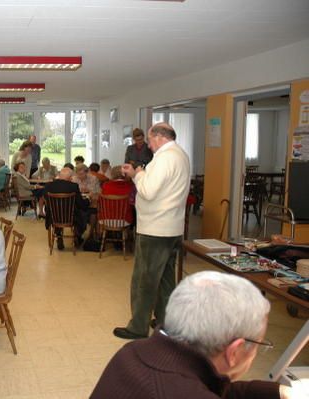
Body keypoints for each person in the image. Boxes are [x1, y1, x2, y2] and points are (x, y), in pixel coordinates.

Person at [91, 271, 300, 399]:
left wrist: (280, 393)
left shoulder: (135, 352)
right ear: (234, 351)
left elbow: (210, 386)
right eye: (258, 345)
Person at [114, 123, 190, 340]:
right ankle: (166, 320)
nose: (148, 143)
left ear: (159, 137)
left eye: (149, 138)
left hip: (155, 229)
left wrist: (137, 174)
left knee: (144, 280)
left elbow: (148, 190)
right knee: (165, 279)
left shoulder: (164, 158)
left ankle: (138, 327)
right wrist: (141, 172)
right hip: (172, 227)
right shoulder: (180, 155)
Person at [44, 168, 90, 249]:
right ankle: (77, 237)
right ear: (70, 177)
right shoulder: (73, 186)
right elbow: (80, 204)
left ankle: (59, 235)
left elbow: (46, 201)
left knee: (57, 212)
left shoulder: (49, 186)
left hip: (53, 217)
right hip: (70, 217)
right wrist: (88, 200)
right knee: (84, 212)